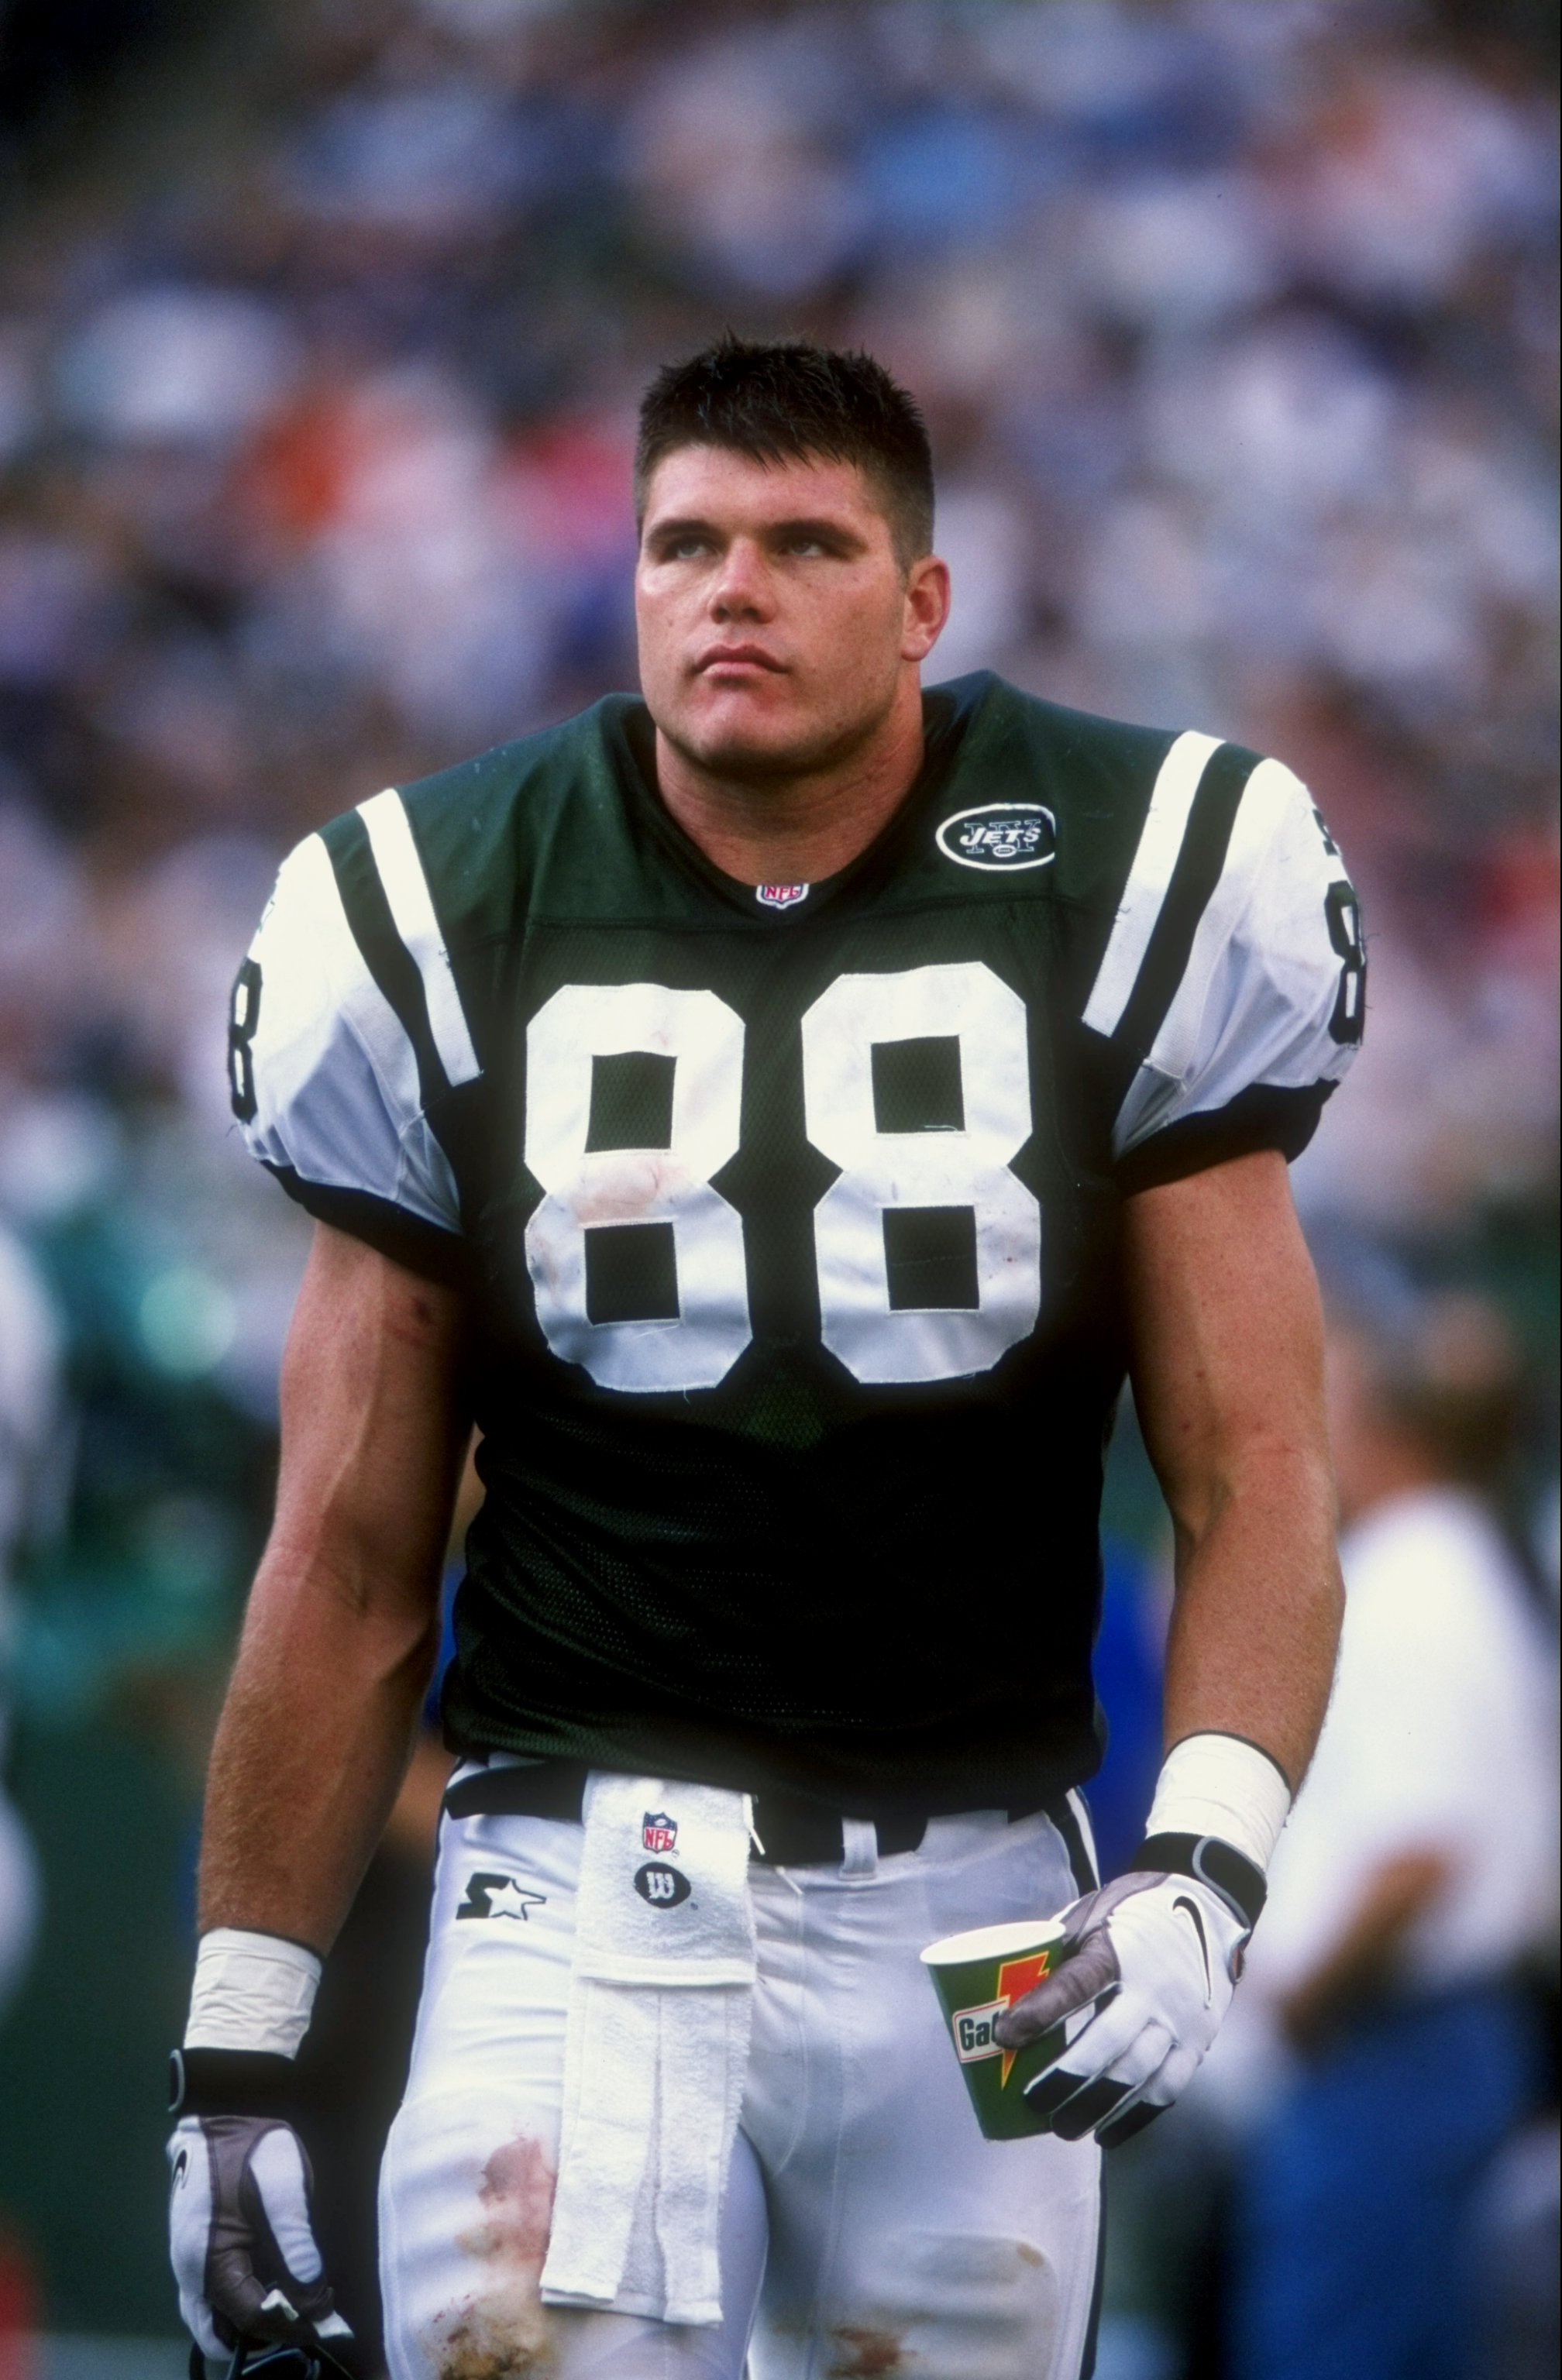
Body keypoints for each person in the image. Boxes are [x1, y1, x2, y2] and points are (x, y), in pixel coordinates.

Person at [166, 337, 1363, 2380]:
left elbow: (1256, 1472)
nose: (734, 589)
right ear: (628, 581)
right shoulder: (444, 905)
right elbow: (347, 1555)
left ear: (922, 604)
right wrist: (236, 2057)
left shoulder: (1134, 862)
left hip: (987, 1910)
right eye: (686, 543)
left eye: (806, 544)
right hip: (577, 1884)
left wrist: (1201, 1877)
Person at [1226, 1294, 1557, 2380]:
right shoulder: (1465, 1559)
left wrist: (1303, 1996)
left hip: (1393, 2042)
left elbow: (1421, 1851)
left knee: (1334, 2350)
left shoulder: (1412, 1579)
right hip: (1447, 2035)